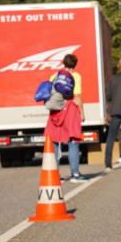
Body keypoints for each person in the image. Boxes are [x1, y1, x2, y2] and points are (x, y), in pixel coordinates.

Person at [46, 54, 85, 183]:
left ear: (64, 63)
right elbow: (77, 96)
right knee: (73, 141)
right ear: (75, 65)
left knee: (55, 142)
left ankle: (55, 175)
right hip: (70, 110)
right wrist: (82, 113)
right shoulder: (76, 76)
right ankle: (75, 174)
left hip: (55, 112)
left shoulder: (54, 76)